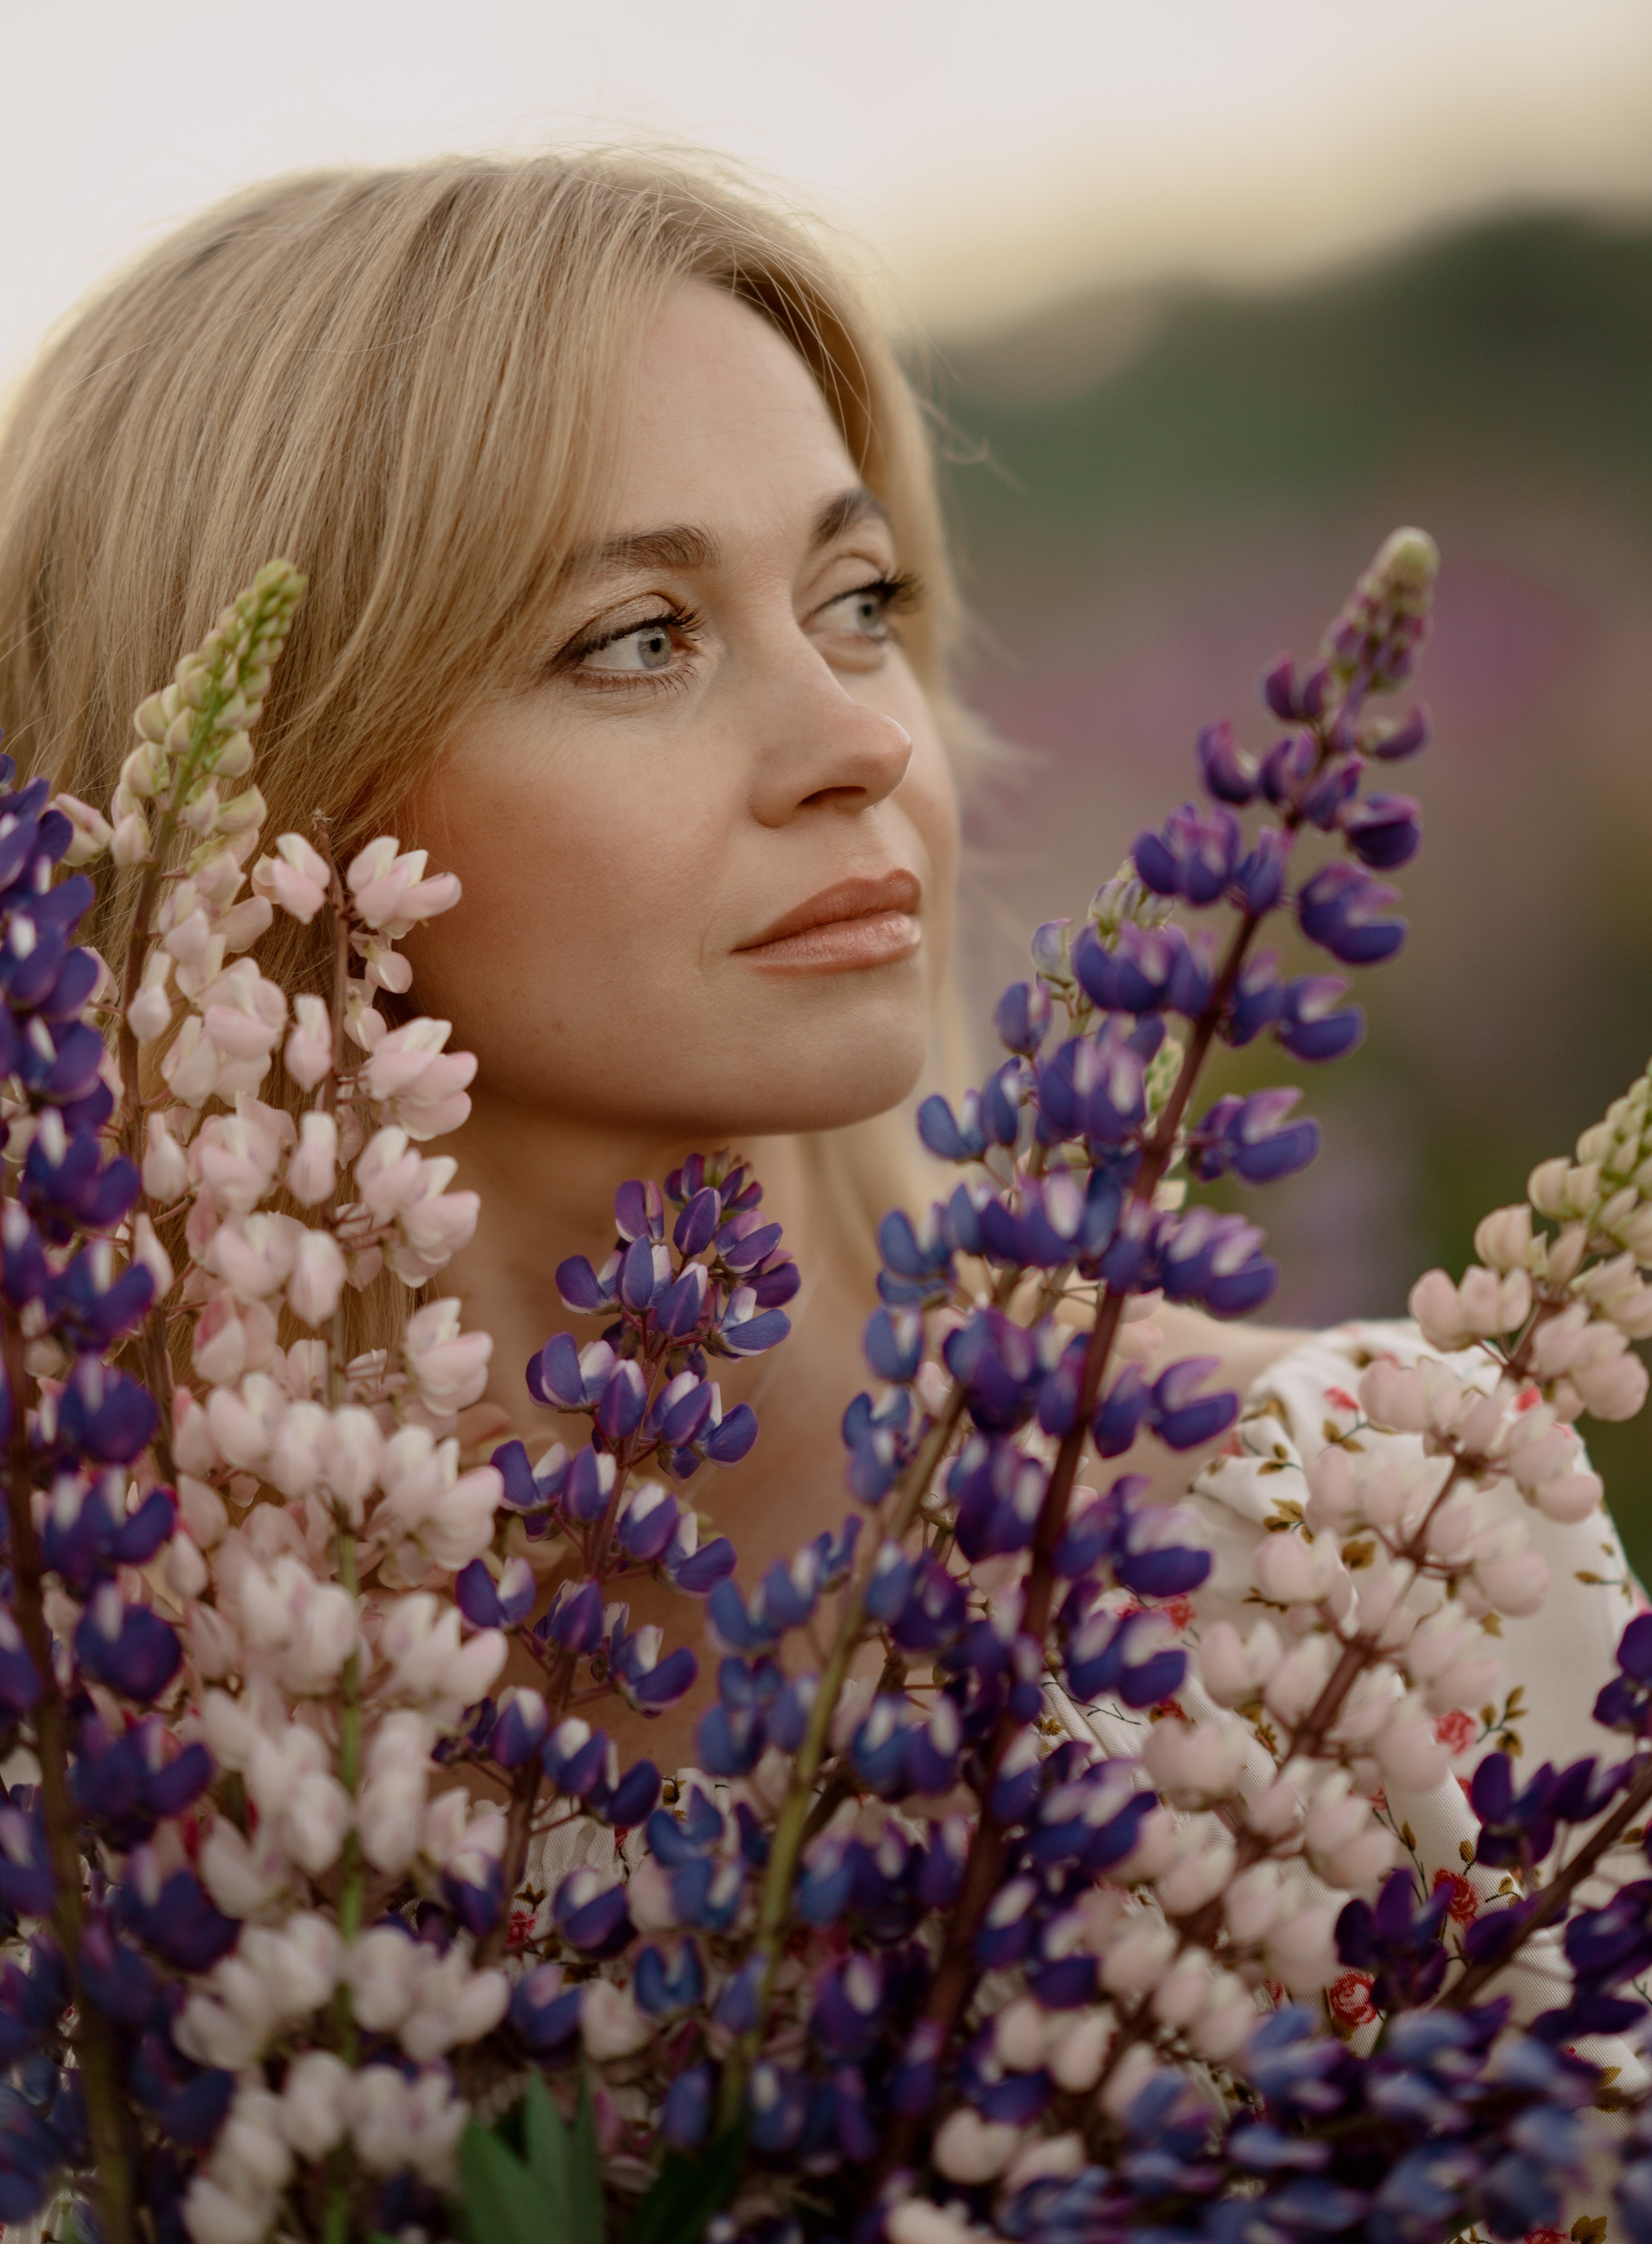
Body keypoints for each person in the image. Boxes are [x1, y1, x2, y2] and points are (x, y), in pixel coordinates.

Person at [0, 155, 1630, 1861]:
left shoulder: (1374, 1522)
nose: (864, 740)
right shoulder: (96, 1679)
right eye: (641, 638)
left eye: (860, 605)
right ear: (268, 821)